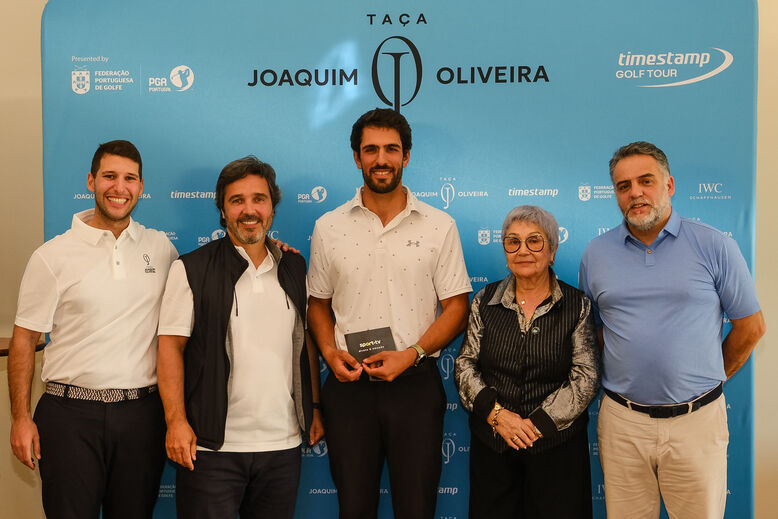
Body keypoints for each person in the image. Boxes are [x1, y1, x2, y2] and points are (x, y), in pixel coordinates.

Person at [579, 141, 766, 518]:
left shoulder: (715, 245)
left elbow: (750, 327)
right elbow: (595, 334)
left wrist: (708, 380)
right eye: (623, 185)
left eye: (645, 181)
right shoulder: (596, 254)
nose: (635, 193)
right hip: (622, 422)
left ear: (669, 185)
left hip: (697, 422)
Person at [307, 108, 472, 519]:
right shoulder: (328, 227)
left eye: (391, 149)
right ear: (357, 157)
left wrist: (412, 352)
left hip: (414, 387)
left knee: (416, 508)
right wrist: (329, 353)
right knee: (354, 508)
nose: (381, 159)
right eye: (371, 150)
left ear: (407, 156)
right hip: (349, 387)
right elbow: (318, 304)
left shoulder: (440, 225)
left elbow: (457, 306)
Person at [8, 140, 178, 518]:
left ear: (141, 186)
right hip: (68, 417)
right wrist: (20, 418)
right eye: (110, 177)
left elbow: (206, 284)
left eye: (129, 178)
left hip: (141, 416)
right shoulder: (52, 256)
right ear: (91, 181)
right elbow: (24, 340)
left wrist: (270, 250)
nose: (120, 187)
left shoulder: (161, 249)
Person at [156, 156, 323, 519]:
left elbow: (304, 342)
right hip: (212, 449)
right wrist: (176, 421)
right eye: (237, 200)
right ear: (222, 210)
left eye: (259, 199)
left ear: (272, 209)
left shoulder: (293, 266)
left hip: (282, 447)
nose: (250, 210)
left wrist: (312, 407)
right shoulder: (190, 268)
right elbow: (170, 347)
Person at [455, 205, 600, 519]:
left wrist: (535, 426)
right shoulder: (485, 300)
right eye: (513, 241)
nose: (523, 250)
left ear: (552, 250)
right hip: (493, 447)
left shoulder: (577, 305)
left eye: (534, 241)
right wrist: (497, 415)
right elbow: (465, 365)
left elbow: (586, 377)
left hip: (557, 451)